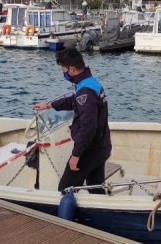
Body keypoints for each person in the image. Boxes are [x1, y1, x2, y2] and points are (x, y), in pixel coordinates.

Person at [33, 48, 111, 194]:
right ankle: (96, 214)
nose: (64, 73)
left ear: (72, 69)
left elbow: (88, 128)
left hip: (90, 149)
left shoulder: (85, 92)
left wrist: (76, 155)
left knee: (65, 188)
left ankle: (66, 217)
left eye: (64, 70)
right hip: (102, 145)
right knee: (95, 188)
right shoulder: (89, 83)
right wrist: (49, 105)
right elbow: (72, 101)